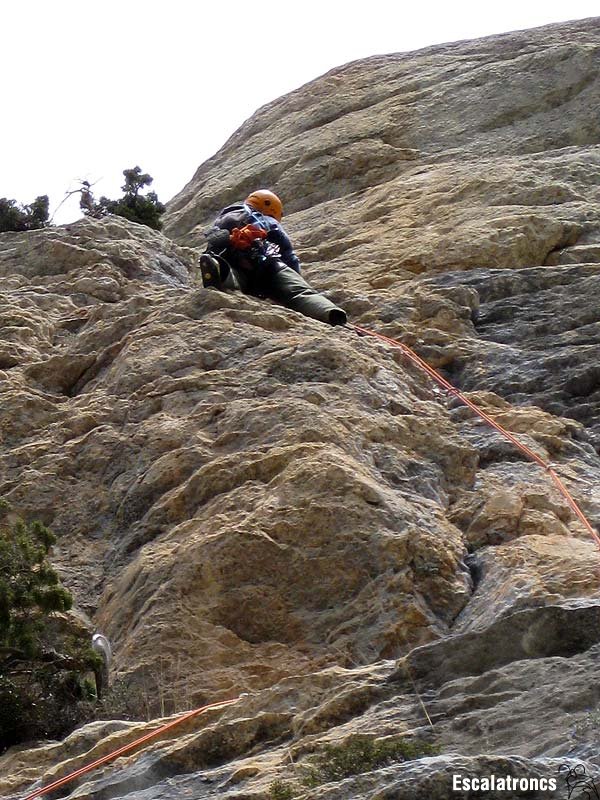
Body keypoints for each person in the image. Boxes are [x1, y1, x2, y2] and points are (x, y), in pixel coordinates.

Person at [200, 190, 347, 326]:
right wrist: (295, 277)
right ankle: (330, 313)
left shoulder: (223, 220)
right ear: (271, 208)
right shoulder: (264, 219)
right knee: (299, 292)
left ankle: (219, 270)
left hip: (233, 262)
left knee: (232, 275)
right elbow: (288, 253)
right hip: (265, 265)